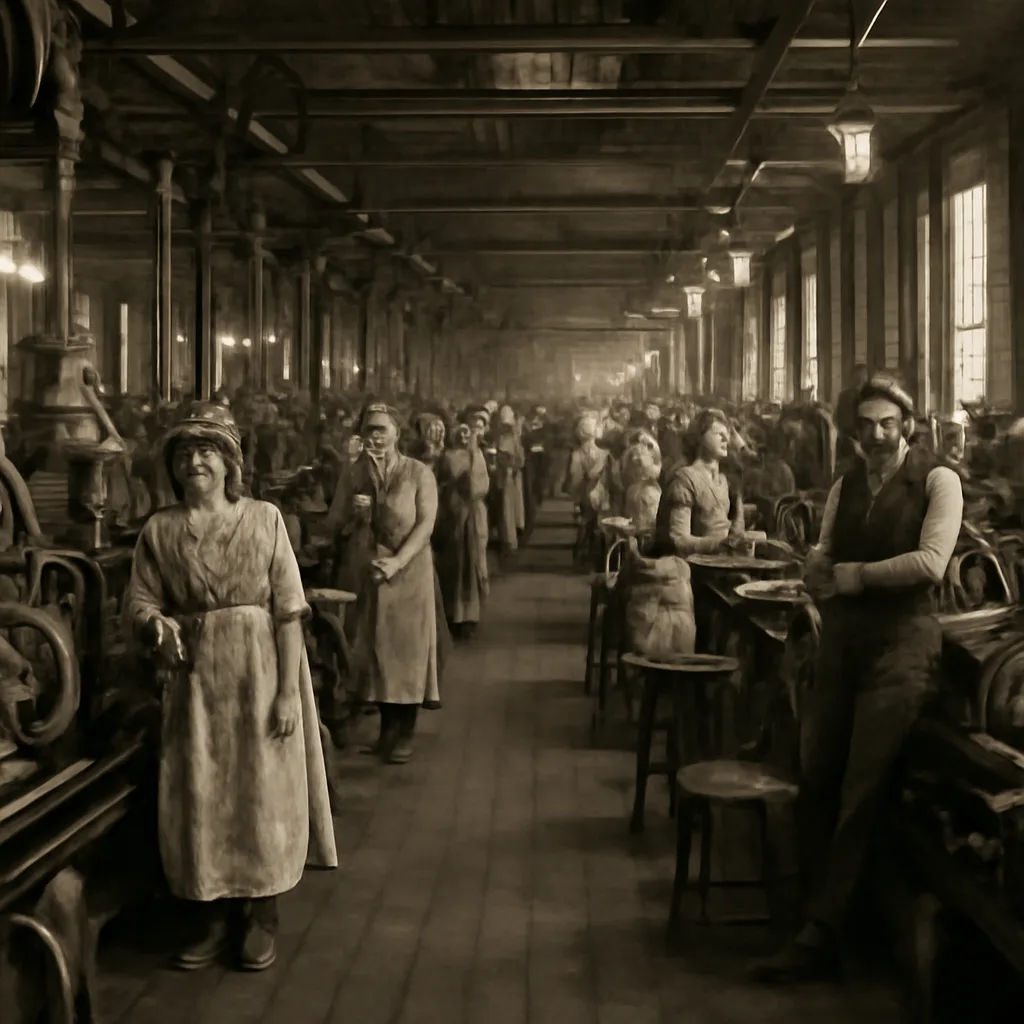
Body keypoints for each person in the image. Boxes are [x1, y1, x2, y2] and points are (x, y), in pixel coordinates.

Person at [754, 373, 963, 984]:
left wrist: (854, 577)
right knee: (816, 774)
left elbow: (931, 562)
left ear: (908, 426)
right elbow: (823, 546)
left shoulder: (936, 481)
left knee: (862, 790)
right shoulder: (847, 484)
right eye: (865, 427)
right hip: (844, 642)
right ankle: (820, 915)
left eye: (887, 425)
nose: (876, 435)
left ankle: (825, 934)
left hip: (902, 647)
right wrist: (818, 566)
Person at [125, 402, 337, 972]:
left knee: (259, 790)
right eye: (185, 454)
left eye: (207, 452)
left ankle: (259, 913)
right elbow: (141, 602)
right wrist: (155, 624)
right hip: (194, 683)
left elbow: (290, 610)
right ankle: (211, 915)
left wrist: (289, 690)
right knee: (202, 792)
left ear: (228, 465)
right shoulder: (160, 530)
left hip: (260, 671)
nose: (195, 463)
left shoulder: (265, 519)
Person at [327, 402, 440, 765]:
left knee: (406, 651)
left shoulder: (417, 472)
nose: (375, 436)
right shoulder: (354, 474)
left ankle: (404, 732)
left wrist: (397, 562)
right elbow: (335, 519)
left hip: (409, 573)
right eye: (369, 429)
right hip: (370, 571)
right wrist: (353, 518)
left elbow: (425, 526)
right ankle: (387, 732)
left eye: (382, 429)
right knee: (377, 650)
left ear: (397, 433)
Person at [653, 408, 746, 556]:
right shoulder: (685, 479)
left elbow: (734, 527)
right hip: (698, 565)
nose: (726, 439)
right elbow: (679, 540)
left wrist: (737, 539)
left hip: (726, 558)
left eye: (726, 434)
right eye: (719, 434)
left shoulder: (723, 478)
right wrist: (721, 544)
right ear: (700, 437)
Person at [435, 414, 491, 639]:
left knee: (471, 564)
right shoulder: (446, 457)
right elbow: (439, 483)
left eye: (468, 433)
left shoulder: (476, 456)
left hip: (472, 517)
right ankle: (452, 614)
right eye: (460, 433)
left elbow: (480, 485)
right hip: (451, 517)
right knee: (453, 565)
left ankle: (469, 614)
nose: (464, 436)